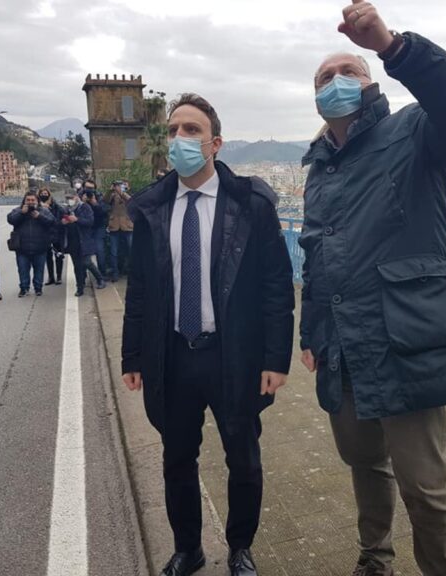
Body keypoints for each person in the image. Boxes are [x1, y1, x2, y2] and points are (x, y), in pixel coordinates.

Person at [298, 3, 446, 576]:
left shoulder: (414, 131)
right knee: (365, 463)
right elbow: (316, 259)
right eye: (323, 78)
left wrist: (391, 46)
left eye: (349, 72)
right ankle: (374, 558)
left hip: (406, 338)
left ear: (371, 83)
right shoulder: (317, 170)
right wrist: (312, 333)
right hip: (344, 345)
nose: (335, 83)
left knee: (426, 487)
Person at [121, 93, 295, 576]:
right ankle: (188, 550)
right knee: (177, 458)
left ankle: (240, 548)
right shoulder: (153, 209)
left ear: (215, 143)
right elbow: (140, 289)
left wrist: (275, 360)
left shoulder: (251, 204)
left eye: (192, 130)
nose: (180, 138)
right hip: (173, 354)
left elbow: (276, 287)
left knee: (243, 456)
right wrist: (132, 355)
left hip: (233, 355)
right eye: (174, 130)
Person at [7, 191, 55, 297]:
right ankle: (24, 288)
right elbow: (10, 219)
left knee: (39, 269)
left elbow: (51, 221)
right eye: (28, 200)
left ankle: (38, 288)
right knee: (23, 269)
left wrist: (39, 216)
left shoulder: (44, 211)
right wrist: (22, 213)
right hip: (22, 247)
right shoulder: (18, 210)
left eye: (32, 200)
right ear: (24, 201)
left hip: (40, 246)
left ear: (37, 201)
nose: (30, 202)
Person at [61, 190, 104, 296]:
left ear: (76, 197)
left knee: (87, 262)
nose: (69, 200)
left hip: (83, 239)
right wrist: (63, 222)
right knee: (77, 265)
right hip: (72, 241)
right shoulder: (66, 209)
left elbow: (89, 222)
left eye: (71, 197)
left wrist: (77, 219)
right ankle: (80, 287)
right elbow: (58, 222)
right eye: (67, 198)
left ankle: (100, 279)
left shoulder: (84, 207)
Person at [104, 180, 133, 282]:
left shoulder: (129, 194)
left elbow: (131, 201)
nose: (120, 187)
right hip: (114, 226)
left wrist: (122, 192)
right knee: (113, 252)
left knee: (131, 250)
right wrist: (110, 190)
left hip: (127, 225)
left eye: (122, 185)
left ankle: (131, 272)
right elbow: (105, 201)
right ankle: (115, 272)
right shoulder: (112, 195)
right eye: (118, 185)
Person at [38, 187, 66, 286]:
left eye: (46, 193)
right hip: (44, 235)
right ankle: (51, 277)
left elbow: (62, 213)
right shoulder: (38, 206)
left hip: (56, 234)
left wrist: (50, 206)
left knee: (58, 256)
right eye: (42, 193)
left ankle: (59, 276)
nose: (44, 195)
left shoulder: (55, 206)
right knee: (47, 257)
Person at [83, 179, 111, 280]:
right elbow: (74, 212)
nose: (89, 191)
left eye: (91, 188)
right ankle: (83, 274)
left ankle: (102, 273)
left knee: (100, 250)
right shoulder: (80, 196)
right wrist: (83, 203)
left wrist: (95, 204)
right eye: (87, 188)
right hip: (85, 229)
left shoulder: (99, 197)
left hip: (98, 227)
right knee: (84, 252)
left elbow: (105, 211)